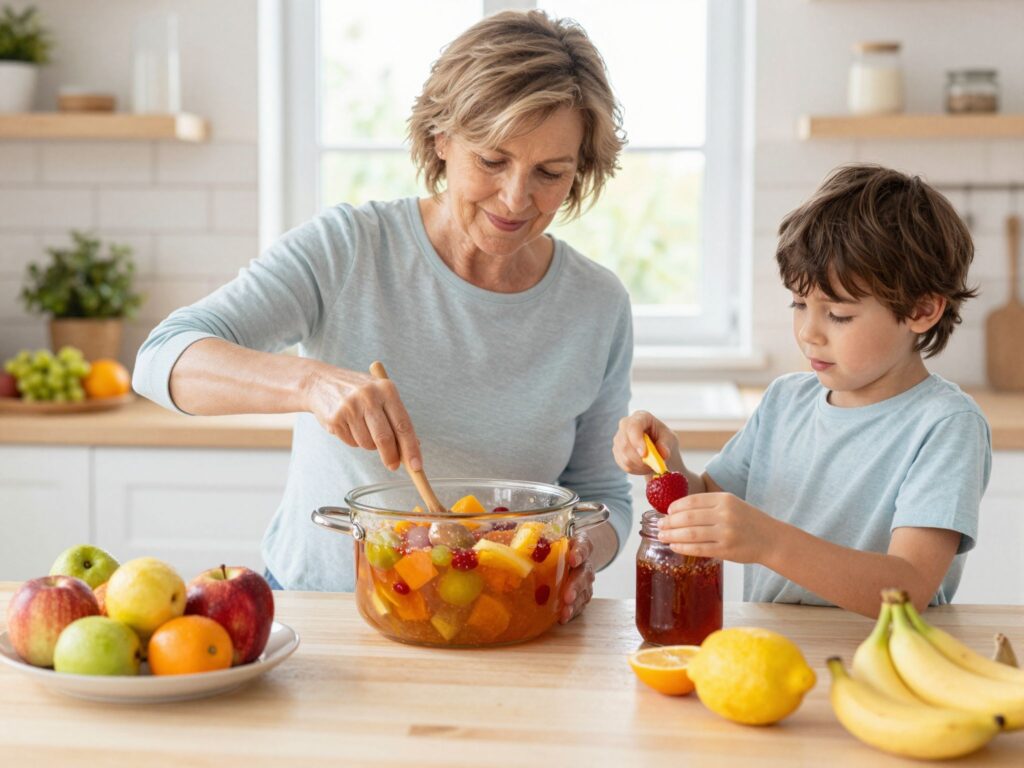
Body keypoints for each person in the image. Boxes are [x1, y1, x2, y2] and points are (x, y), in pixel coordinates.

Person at [132, 10, 632, 622]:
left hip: (500, 620)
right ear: (442, 139)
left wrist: (579, 552)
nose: (515, 198)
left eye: (550, 173)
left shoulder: (597, 305)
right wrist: (310, 382)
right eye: (492, 161)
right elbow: (161, 359)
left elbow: (604, 496)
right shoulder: (349, 248)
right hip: (323, 614)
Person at [614, 164, 991, 618]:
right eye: (798, 303)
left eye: (838, 314)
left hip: (886, 663)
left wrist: (768, 541)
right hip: (776, 649)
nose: (809, 332)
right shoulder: (784, 401)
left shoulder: (946, 425)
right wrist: (665, 463)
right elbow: (707, 500)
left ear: (922, 309)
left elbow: (908, 587)